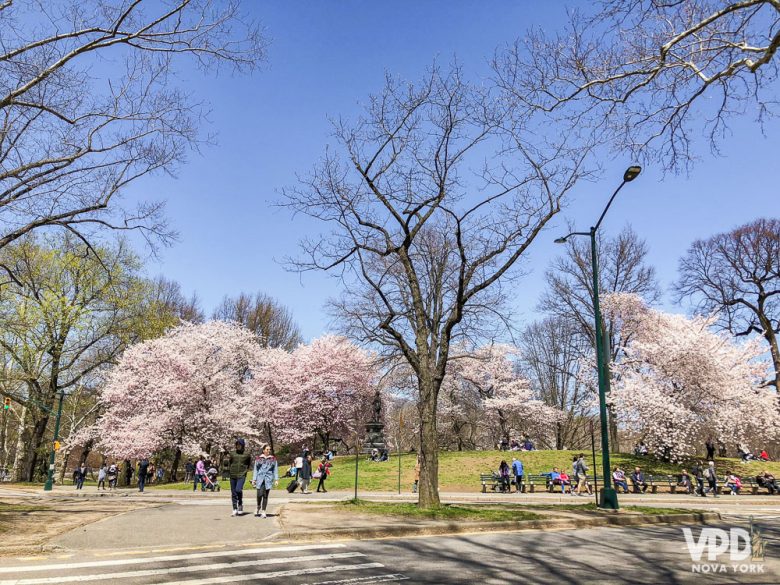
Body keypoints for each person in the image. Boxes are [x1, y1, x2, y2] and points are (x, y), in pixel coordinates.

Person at [251, 443, 279, 518]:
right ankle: (258, 506)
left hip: (268, 479)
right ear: (263, 450)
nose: (268, 451)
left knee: (265, 495)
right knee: (259, 494)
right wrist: (254, 479)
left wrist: (276, 479)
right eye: (267, 449)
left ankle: (263, 511)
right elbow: (255, 470)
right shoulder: (259, 458)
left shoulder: (273, 459)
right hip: (260, 479)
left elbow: (275, 469)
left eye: (269, 449)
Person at [227, 438, 252, 516]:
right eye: (237, 444)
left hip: (241, 475)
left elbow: (248, 464)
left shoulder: (247, 454)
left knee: (238, 490)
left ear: (243, 445)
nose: (238, 446)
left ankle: (240, 504)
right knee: (233, 492)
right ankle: (234, 508)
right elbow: (229, 463)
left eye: (240, 444)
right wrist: (230, 470)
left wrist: (245, 471)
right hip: (233, 475)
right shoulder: (232, 453)